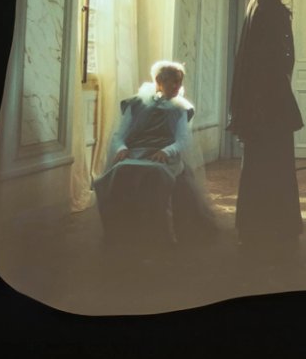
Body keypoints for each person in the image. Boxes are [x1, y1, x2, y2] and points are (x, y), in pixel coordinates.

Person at [227, 0, 304, 244]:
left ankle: (259, 224)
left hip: (265, 102)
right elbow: (267, 62)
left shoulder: (261, 3)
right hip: (267, 104)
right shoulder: (267, 8)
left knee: (264, 164)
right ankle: (271, 224)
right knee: (271, 164)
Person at [92, 60, 218, 251]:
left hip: (164, 154)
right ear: (158, 81)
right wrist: (121, 148)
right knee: (119, 171)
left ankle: (159, 232)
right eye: (171, 81)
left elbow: (182, 140)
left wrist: (166, 151)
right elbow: (119, 134)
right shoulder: (136, 103)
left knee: (156, 173)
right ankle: (120, 229)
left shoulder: (180, 108)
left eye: (179, 82)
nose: (176, 86)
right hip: (135, 152)